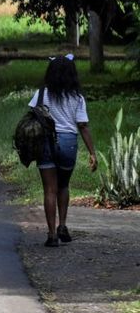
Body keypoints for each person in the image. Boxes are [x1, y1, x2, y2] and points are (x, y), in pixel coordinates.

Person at [28, 55, 97, 247]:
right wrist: (92, 153)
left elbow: (32, 115)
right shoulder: (77, 98)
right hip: (68, 143)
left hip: (45, 143)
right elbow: (83, 126)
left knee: (49, 189)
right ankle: (63, 226)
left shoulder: (42, 93)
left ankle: (51, 235)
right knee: (63, 186)